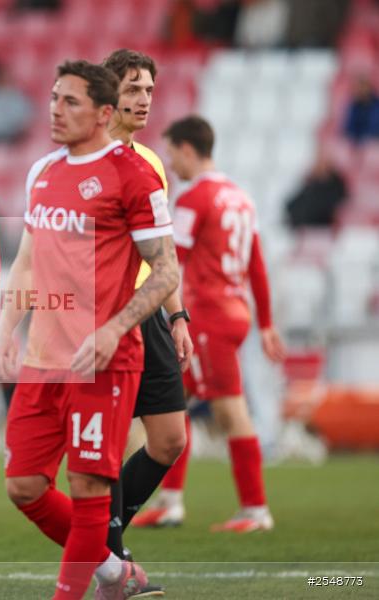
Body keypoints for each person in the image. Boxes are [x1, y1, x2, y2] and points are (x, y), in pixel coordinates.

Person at [0, 60, 179, 599]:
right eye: (53, 98)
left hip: (102, 361)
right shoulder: (43, 172)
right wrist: (5, 331)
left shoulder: (134, 175)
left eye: (70, 102)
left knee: (89, 484)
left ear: (101, 114)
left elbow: (166, 270)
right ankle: (115, 572)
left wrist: (115, 329)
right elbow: (27, 263)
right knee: (24, 486)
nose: (55, 110)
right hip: (43, 360)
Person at [137, 115, 286, 532]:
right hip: (235, 311)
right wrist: (266, 323)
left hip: (207, 316)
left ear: (187, 149)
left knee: (229, 409)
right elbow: (257, 264)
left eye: (171, 153)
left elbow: (171, 260)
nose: (170, 163)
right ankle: (170, 502)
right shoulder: (240, 197)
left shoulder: (193, 199)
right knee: (173, 401)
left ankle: (255, 509)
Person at [99, 49, 192, 554]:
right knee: (108, 444)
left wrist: (177, 315)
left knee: (170, 438)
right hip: (106, 315)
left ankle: (103, 536)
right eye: (133, 88)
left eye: (149, 90)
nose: (144, 99)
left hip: (150, 311)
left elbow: (163, 249)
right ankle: (110, 552)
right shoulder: (87, 159)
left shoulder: (152, 162)